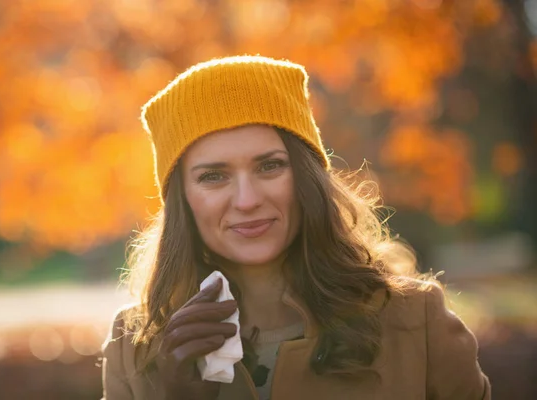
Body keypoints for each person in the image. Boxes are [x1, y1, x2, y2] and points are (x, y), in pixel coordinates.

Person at [101, 55, 490, 400]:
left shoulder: (416, 321)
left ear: (307, 178)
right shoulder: (133, 343)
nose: (247, 199)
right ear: (182, 199)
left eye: (270, 166)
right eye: (213, 176)